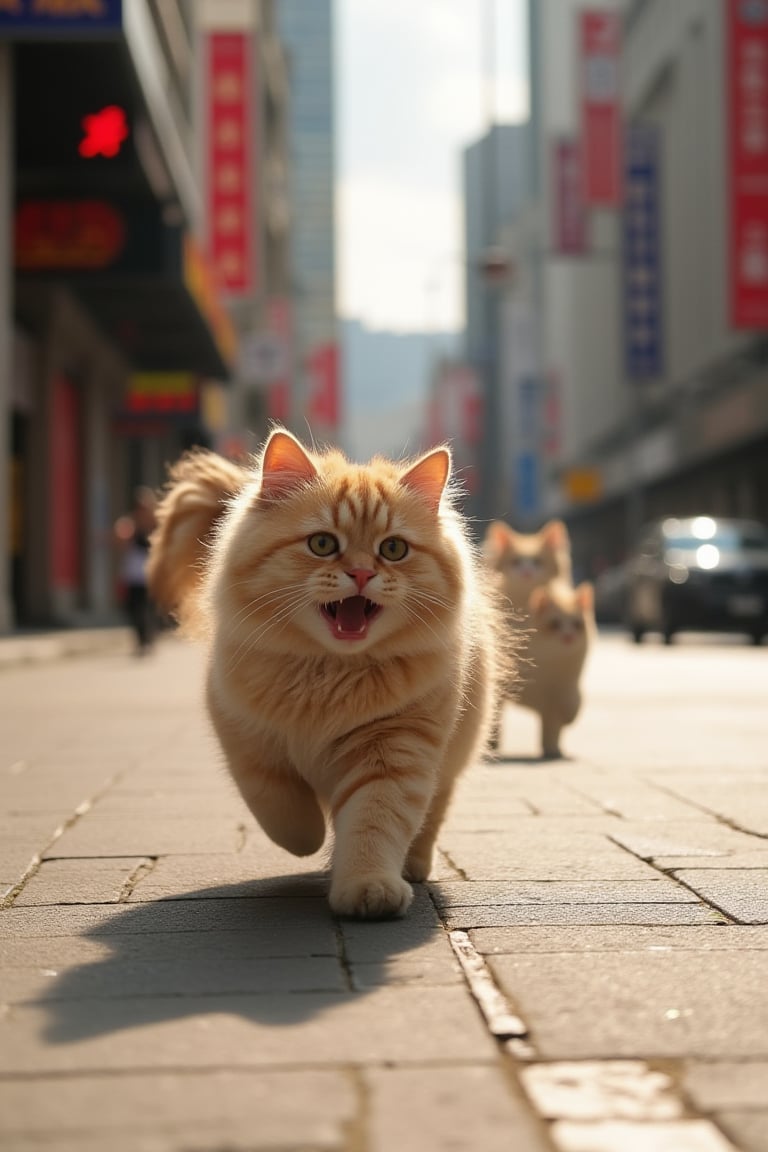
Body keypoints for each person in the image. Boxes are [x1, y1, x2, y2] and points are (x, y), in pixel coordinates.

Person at [114, 486, 158, 655]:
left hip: (149, 573)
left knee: (147, 608)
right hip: (133, 573)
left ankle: (147, 639)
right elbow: (119, 539)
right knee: (132, 607)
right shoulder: (130, 523)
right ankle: (141, 639)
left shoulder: (155, 524)